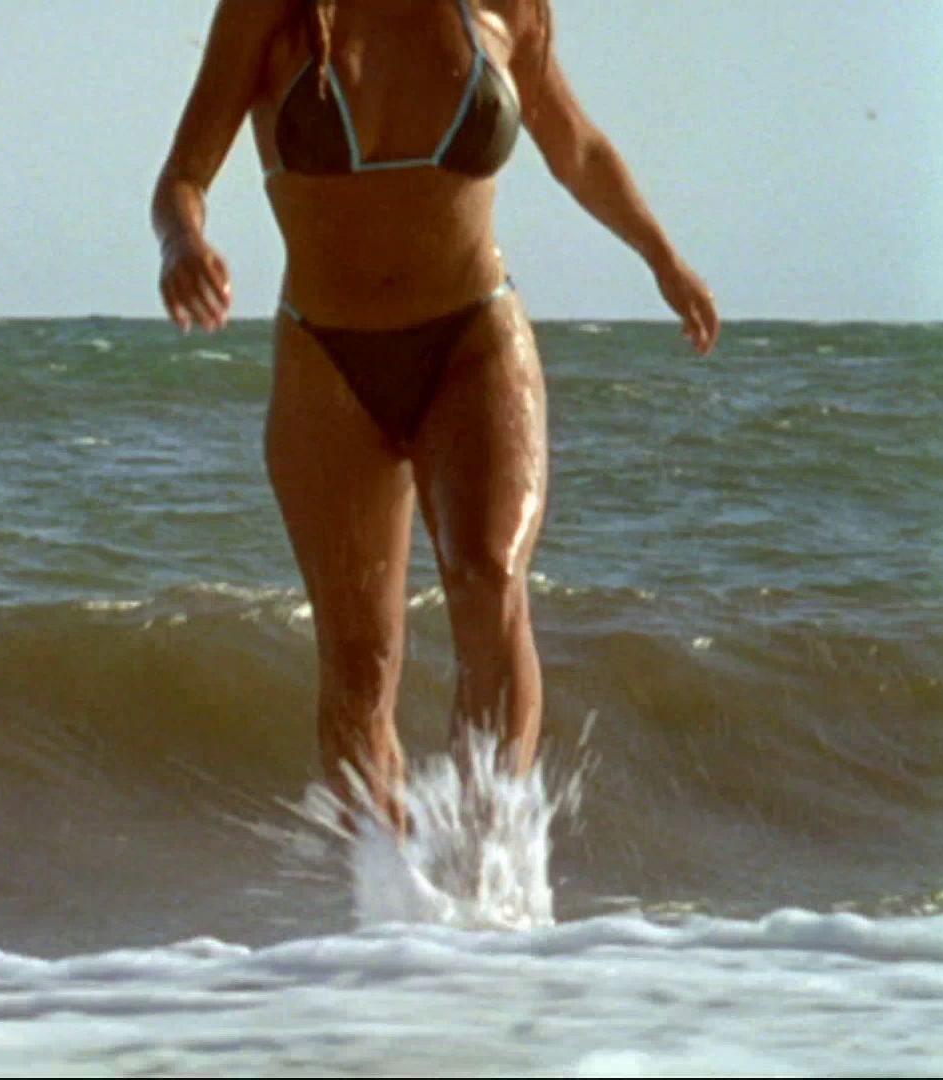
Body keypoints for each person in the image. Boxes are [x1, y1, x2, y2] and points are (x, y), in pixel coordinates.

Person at [152, 0, 718, 829]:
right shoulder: (271, 13)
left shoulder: (505, 9)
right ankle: (394, 888)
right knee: (359, 664)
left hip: (473, 340)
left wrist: (663, 258)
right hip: (327, 361)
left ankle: (488, 863)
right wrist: (181, 245)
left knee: (489, 579)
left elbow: (578, 148)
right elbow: (183, 179)